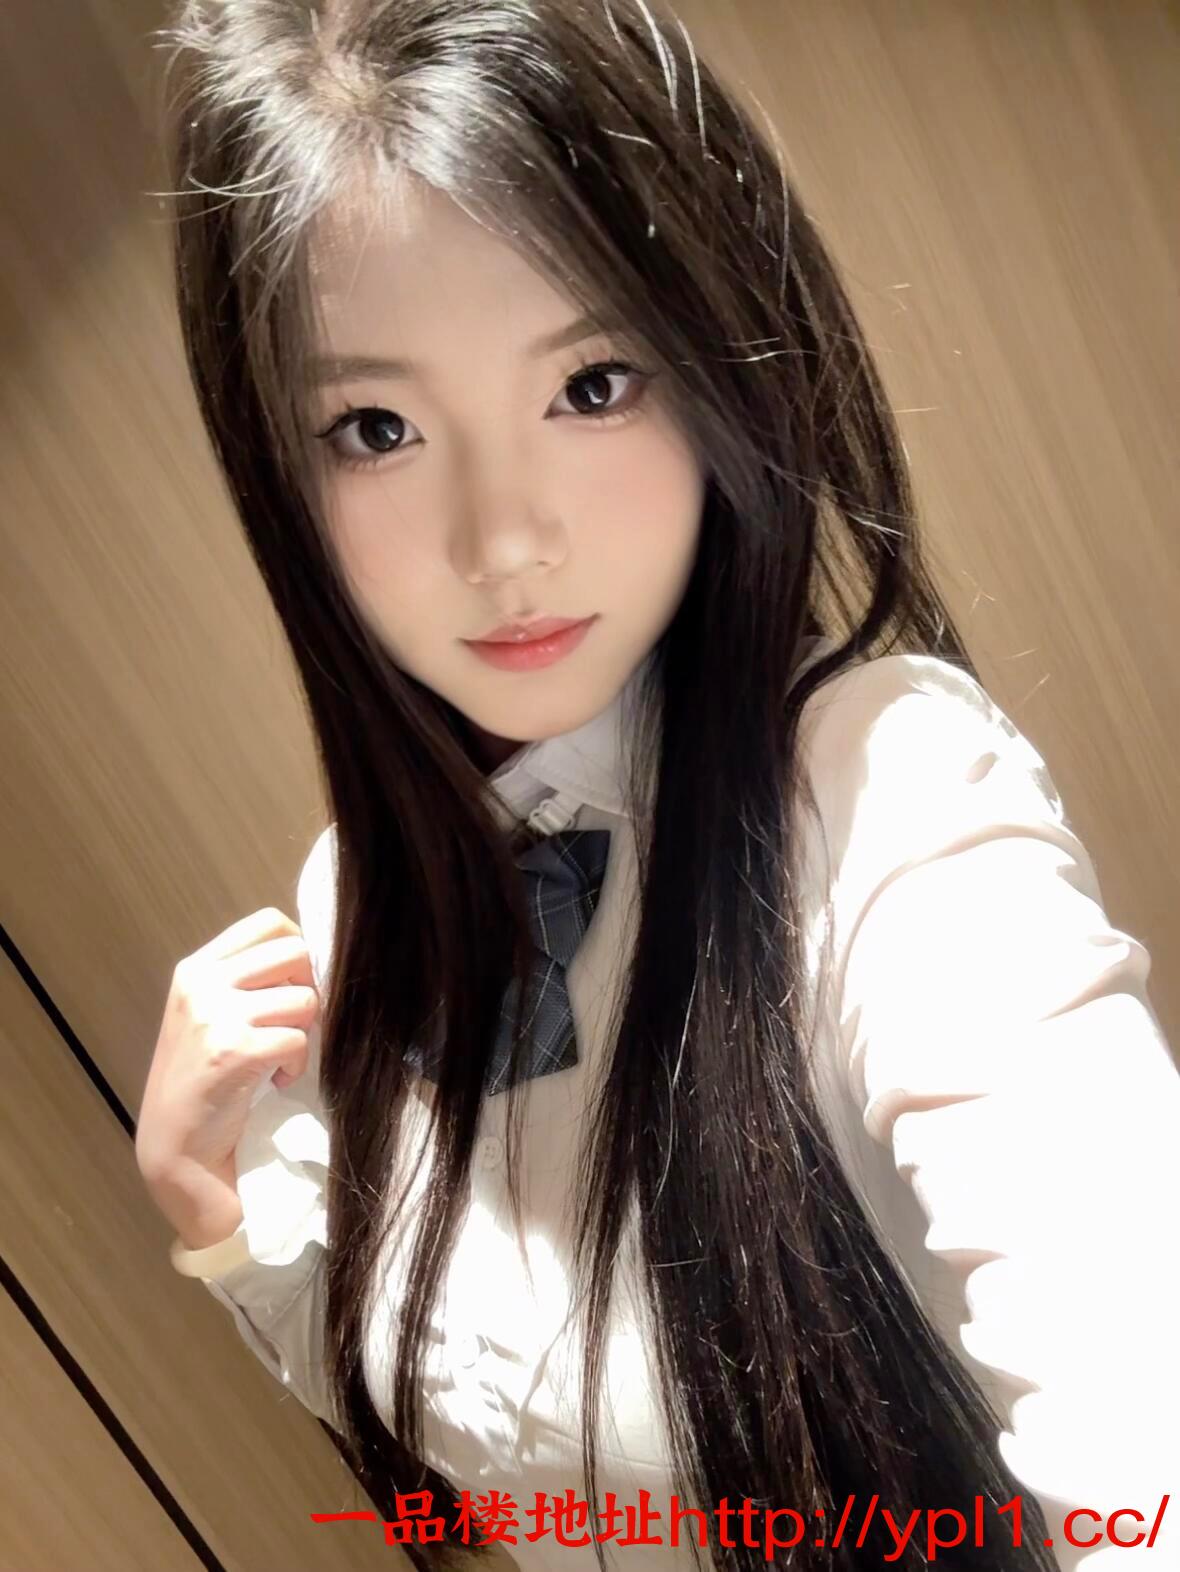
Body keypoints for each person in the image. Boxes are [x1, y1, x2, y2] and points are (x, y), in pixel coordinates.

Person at [134, 3, 1178, 1569]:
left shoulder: (885, 794)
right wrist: (213, 1207)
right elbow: (461, 1430)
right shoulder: (357, 892)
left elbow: (1134, 1369)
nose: (506, 541)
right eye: (377, 428)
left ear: (716, 359)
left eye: (594, 382)